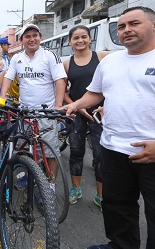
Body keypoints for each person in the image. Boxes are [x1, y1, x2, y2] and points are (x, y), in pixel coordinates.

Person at [62, 6, 155, 249]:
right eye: (122, 26)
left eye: (134, 24)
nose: (126, 30)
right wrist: (73, 107)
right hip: (113, 147)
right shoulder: (111, 61)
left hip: (151, 152)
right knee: (117, 206)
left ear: (153, 26)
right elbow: (96, 93)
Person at [0, 24, 67, 190]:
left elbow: (60, 80)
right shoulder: (17, 58)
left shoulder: (50, 56)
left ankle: (50, 185)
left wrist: (57, 106)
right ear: (21, 41)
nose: (32, 39)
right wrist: (1, 96)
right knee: (26, 149)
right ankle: (29, 175)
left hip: (46, 113)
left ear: (40, 37)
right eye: (27, 36)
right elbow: (8, 77)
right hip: (24, 112)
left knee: (50, 152)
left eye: (35, 35)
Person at [62, 25, 108, 209]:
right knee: (76, 151)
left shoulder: (102, 58)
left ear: (90, 39)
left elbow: (112, 84)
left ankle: (101, 194)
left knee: (100, 154)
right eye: (76, 38)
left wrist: (105, 106)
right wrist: (76, 107)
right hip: (77, 113)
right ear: (70, 41)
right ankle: (76, 189)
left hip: (100, 112)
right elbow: (62, 91)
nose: (80, 41)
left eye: (84, 37)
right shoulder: (67, 63)